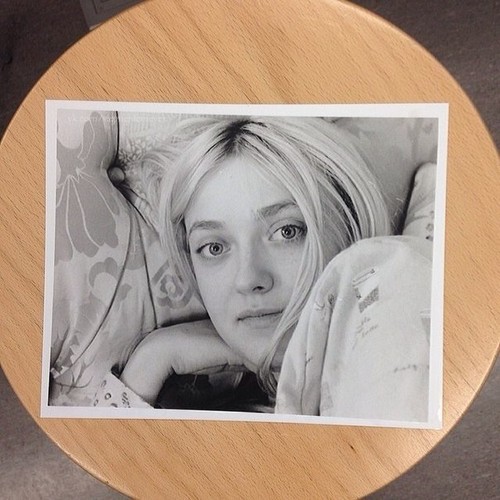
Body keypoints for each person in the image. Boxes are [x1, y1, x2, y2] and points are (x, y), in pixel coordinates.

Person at [94, 116, 434, 421]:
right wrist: (150, 363)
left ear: (348, 224)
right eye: (214, 248)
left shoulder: (397, 280)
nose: (249, 279)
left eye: (287, 232)